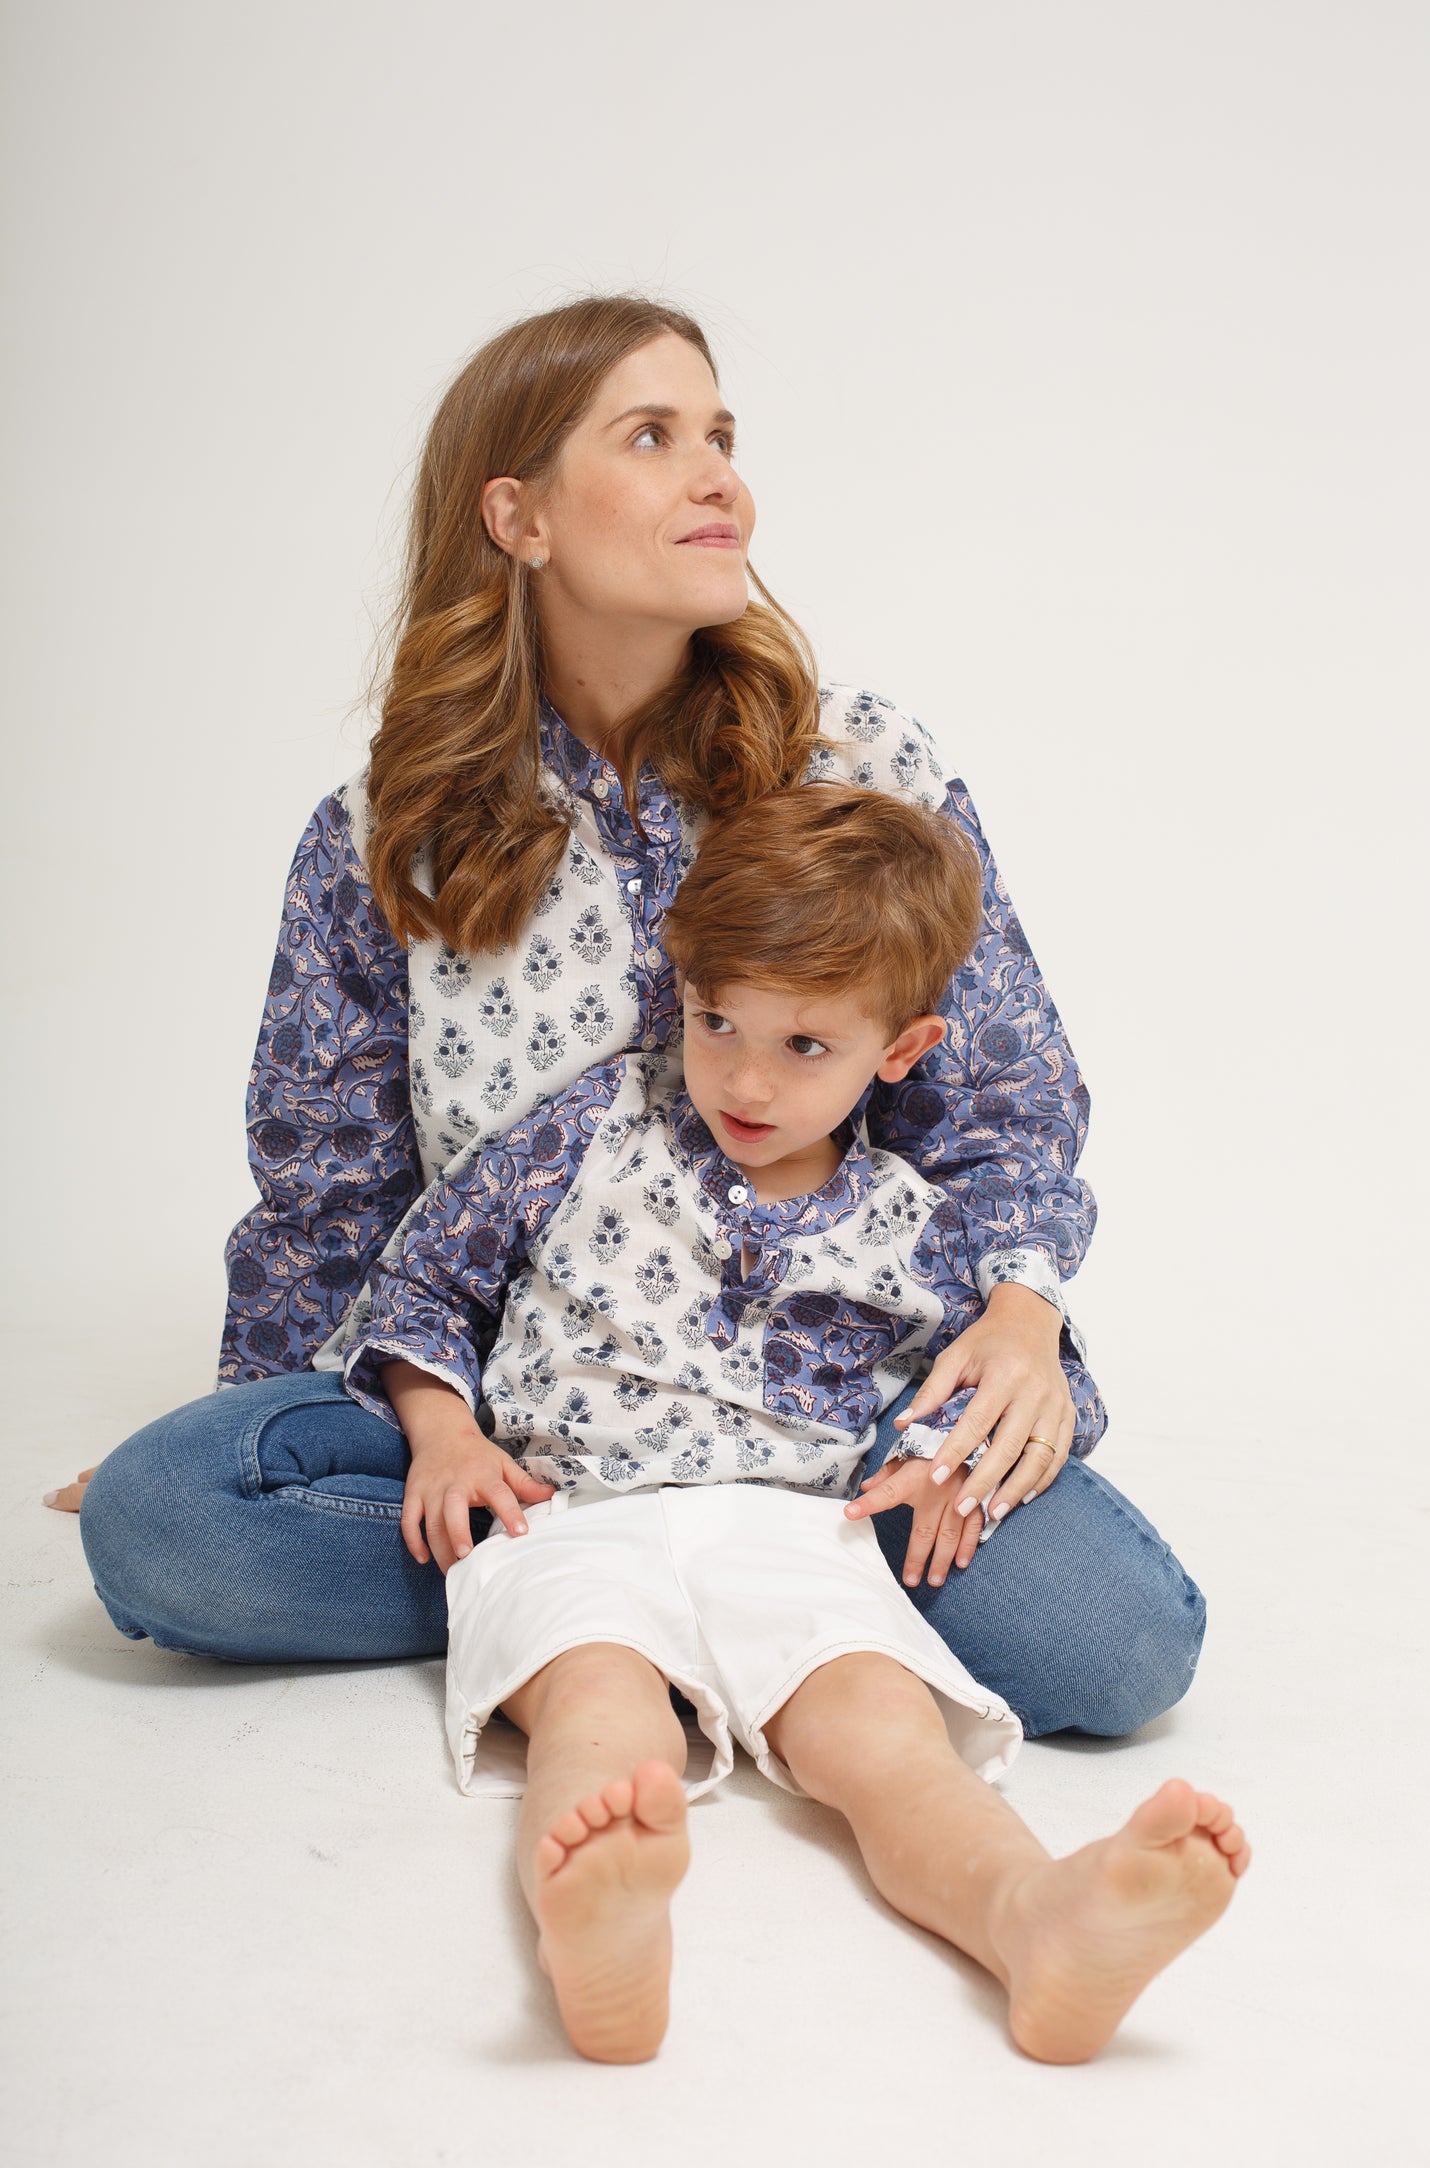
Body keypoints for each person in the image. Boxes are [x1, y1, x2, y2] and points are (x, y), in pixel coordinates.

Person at [59, 292, 1204, 1743]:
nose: (718, 474)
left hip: (837, 1424)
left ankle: (635, 1597)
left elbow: (998, 1103)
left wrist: (1025, 1319)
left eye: (720, 434)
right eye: (653, 437)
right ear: (517, 514)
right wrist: (255, 1438)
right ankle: (673, 1592)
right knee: (171, 1522)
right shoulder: (385, 834)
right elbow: (328, 1194)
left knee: (1119, 1654)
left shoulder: (863, 766)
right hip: (525, 1425)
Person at [336, 784, 1248, 2065]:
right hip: (566, 1513)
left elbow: (1035, 1389)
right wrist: (439, 1431)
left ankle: (1033, 1917)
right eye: (717, 1021)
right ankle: (600, 1918)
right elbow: (426, 1275)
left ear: (902, 1048)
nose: (745, 1078)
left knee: (888, 1744)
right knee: (601, 1712)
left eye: (803, 1047)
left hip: (792, 1527)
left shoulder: (909, 1221)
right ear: (683, 994)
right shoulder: (588, 1128)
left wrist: (943, 1466)